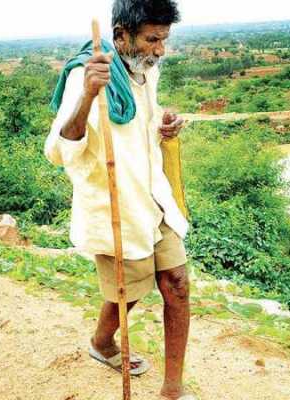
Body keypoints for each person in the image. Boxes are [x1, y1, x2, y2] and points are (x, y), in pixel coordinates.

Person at [43, 1, 193, 399]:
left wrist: (165, 127)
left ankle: (173, 390)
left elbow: (141, 129)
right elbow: (59, 149)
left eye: (164, 39)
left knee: (177, 284)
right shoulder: (88, 75)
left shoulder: (145, 69)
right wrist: (88, 95)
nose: (160, 50)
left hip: (154, 194)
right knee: (130, 288)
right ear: (121, 36)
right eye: (152, 40)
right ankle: (102, 342)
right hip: (116, 205)